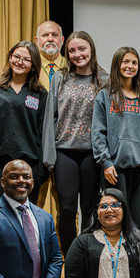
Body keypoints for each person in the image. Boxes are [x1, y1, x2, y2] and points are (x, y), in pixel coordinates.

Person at [91, 47, 140, 243]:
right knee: (115, 220)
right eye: (125, 62)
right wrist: (105, 162)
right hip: (114, 170)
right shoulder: (105, 95)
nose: (130, 66)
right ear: (117, 64)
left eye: (134, 63)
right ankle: (115, 262)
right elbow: (98, 132)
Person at [51, 30, 109, 255]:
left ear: (91, 50)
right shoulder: (60, 77)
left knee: (89, 208)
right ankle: (69, 255)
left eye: (82, 49)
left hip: (92, 153)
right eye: (72, 50)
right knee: (66, 208)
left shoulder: (104, 79)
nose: (77, 54)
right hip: (64, 151)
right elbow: (52, 116)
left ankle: (86, 254)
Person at [0, 41, 49, 202]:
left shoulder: (40, 93)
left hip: (30, 164)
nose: (20, 62)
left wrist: (41, 170)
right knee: (4, 215)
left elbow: (44, 133)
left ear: (33, 64)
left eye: (26, 59)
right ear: (10, 58)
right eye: (16, 57)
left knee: (27, 215)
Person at [34, 20, 66, 209]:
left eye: (54, 35)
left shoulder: (74, 68)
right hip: (36, 145)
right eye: (45, 35)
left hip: (64, 145)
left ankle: (67, 241)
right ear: (37, 40)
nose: (50, 39)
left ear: (62, 40)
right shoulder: (28, 68)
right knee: (33, 204)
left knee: (66, 206)